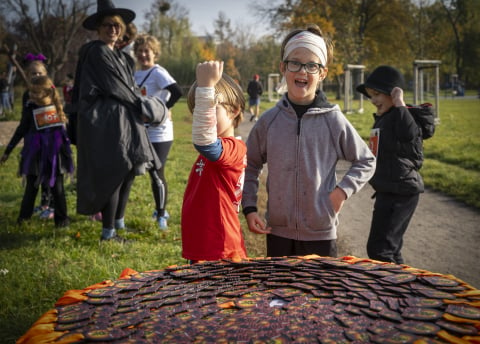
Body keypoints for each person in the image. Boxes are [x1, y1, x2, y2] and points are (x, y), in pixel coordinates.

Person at [242, 24, 376, 258]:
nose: (302, 71)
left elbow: (366, 161)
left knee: (320, 295)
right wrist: (250, 207)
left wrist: (341, 192)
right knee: (280, 294)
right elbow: (250, 164)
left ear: (322, 73)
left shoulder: (333, 120)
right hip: (278, 231)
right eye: (295, 63)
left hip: (321, 235)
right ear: (283, 67)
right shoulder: (269, 121)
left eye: (312, 65)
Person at [72, 0, 167, 241]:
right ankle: (108, 233)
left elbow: (130, 87)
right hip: (105, 123)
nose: (112, 29)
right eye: (107, 25)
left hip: (124, 120)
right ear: (98, 28)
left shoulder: (121, 56)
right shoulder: (97, 51)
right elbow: (118, 87)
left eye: (116, 25)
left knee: (127, 171)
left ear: (122, 28)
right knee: (113, 171)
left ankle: (116, 224)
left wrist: (141, 106)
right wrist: (144, 106)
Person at [356, 65, 424, 264]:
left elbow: (409, 134)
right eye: (370, 95)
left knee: (382, 249)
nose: (373, 100)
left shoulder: (402, 116)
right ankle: (404, 288)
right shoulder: (386, 117)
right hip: (388, 188)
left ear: (393, 94)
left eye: (377, 94)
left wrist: (400, 104)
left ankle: (395, 289)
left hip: (401, 190)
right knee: (385, 248)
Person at [182, 60, 247, 263]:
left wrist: (206, 88)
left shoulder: (232, 149)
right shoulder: (215, 149)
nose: (200, 116)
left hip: (221, 247)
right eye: (198, 111)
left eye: (210, 108)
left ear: (234, 110)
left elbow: (205, 141)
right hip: (205, 245)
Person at [0, 75, 73, 227]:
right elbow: (21, 130)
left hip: (54, 157)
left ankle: (62, 220)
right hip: (35, 155)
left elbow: (65, 134)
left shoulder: (57, 107)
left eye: (35, 92)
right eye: (31, 92)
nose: (31, 95)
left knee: (57, 189)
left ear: (46, 92)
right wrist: (8, 151)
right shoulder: (29, 108)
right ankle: (23, 219)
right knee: (31, 188)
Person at [134, 34, 183, 230]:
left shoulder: (158, 72)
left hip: (159, 132)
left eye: (147, 51)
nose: (144, 55)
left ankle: (161, 213)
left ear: (155, 53)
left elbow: (177, 91)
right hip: (140, 130)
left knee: (156, 171)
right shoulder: (134, 74)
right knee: (139, 171)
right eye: (140, 52)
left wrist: (163, 110)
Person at [22, 57, 55, 219]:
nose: (36, 75)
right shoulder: (26, 95)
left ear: (45, 74)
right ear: (28, 75)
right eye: (33, 73)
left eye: (39, 73)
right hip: (33, 141)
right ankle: (42, 205)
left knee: (50, 175)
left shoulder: (50, 91)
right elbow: (24, 121)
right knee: (35, 174)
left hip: (49, 142)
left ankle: (50, 205)